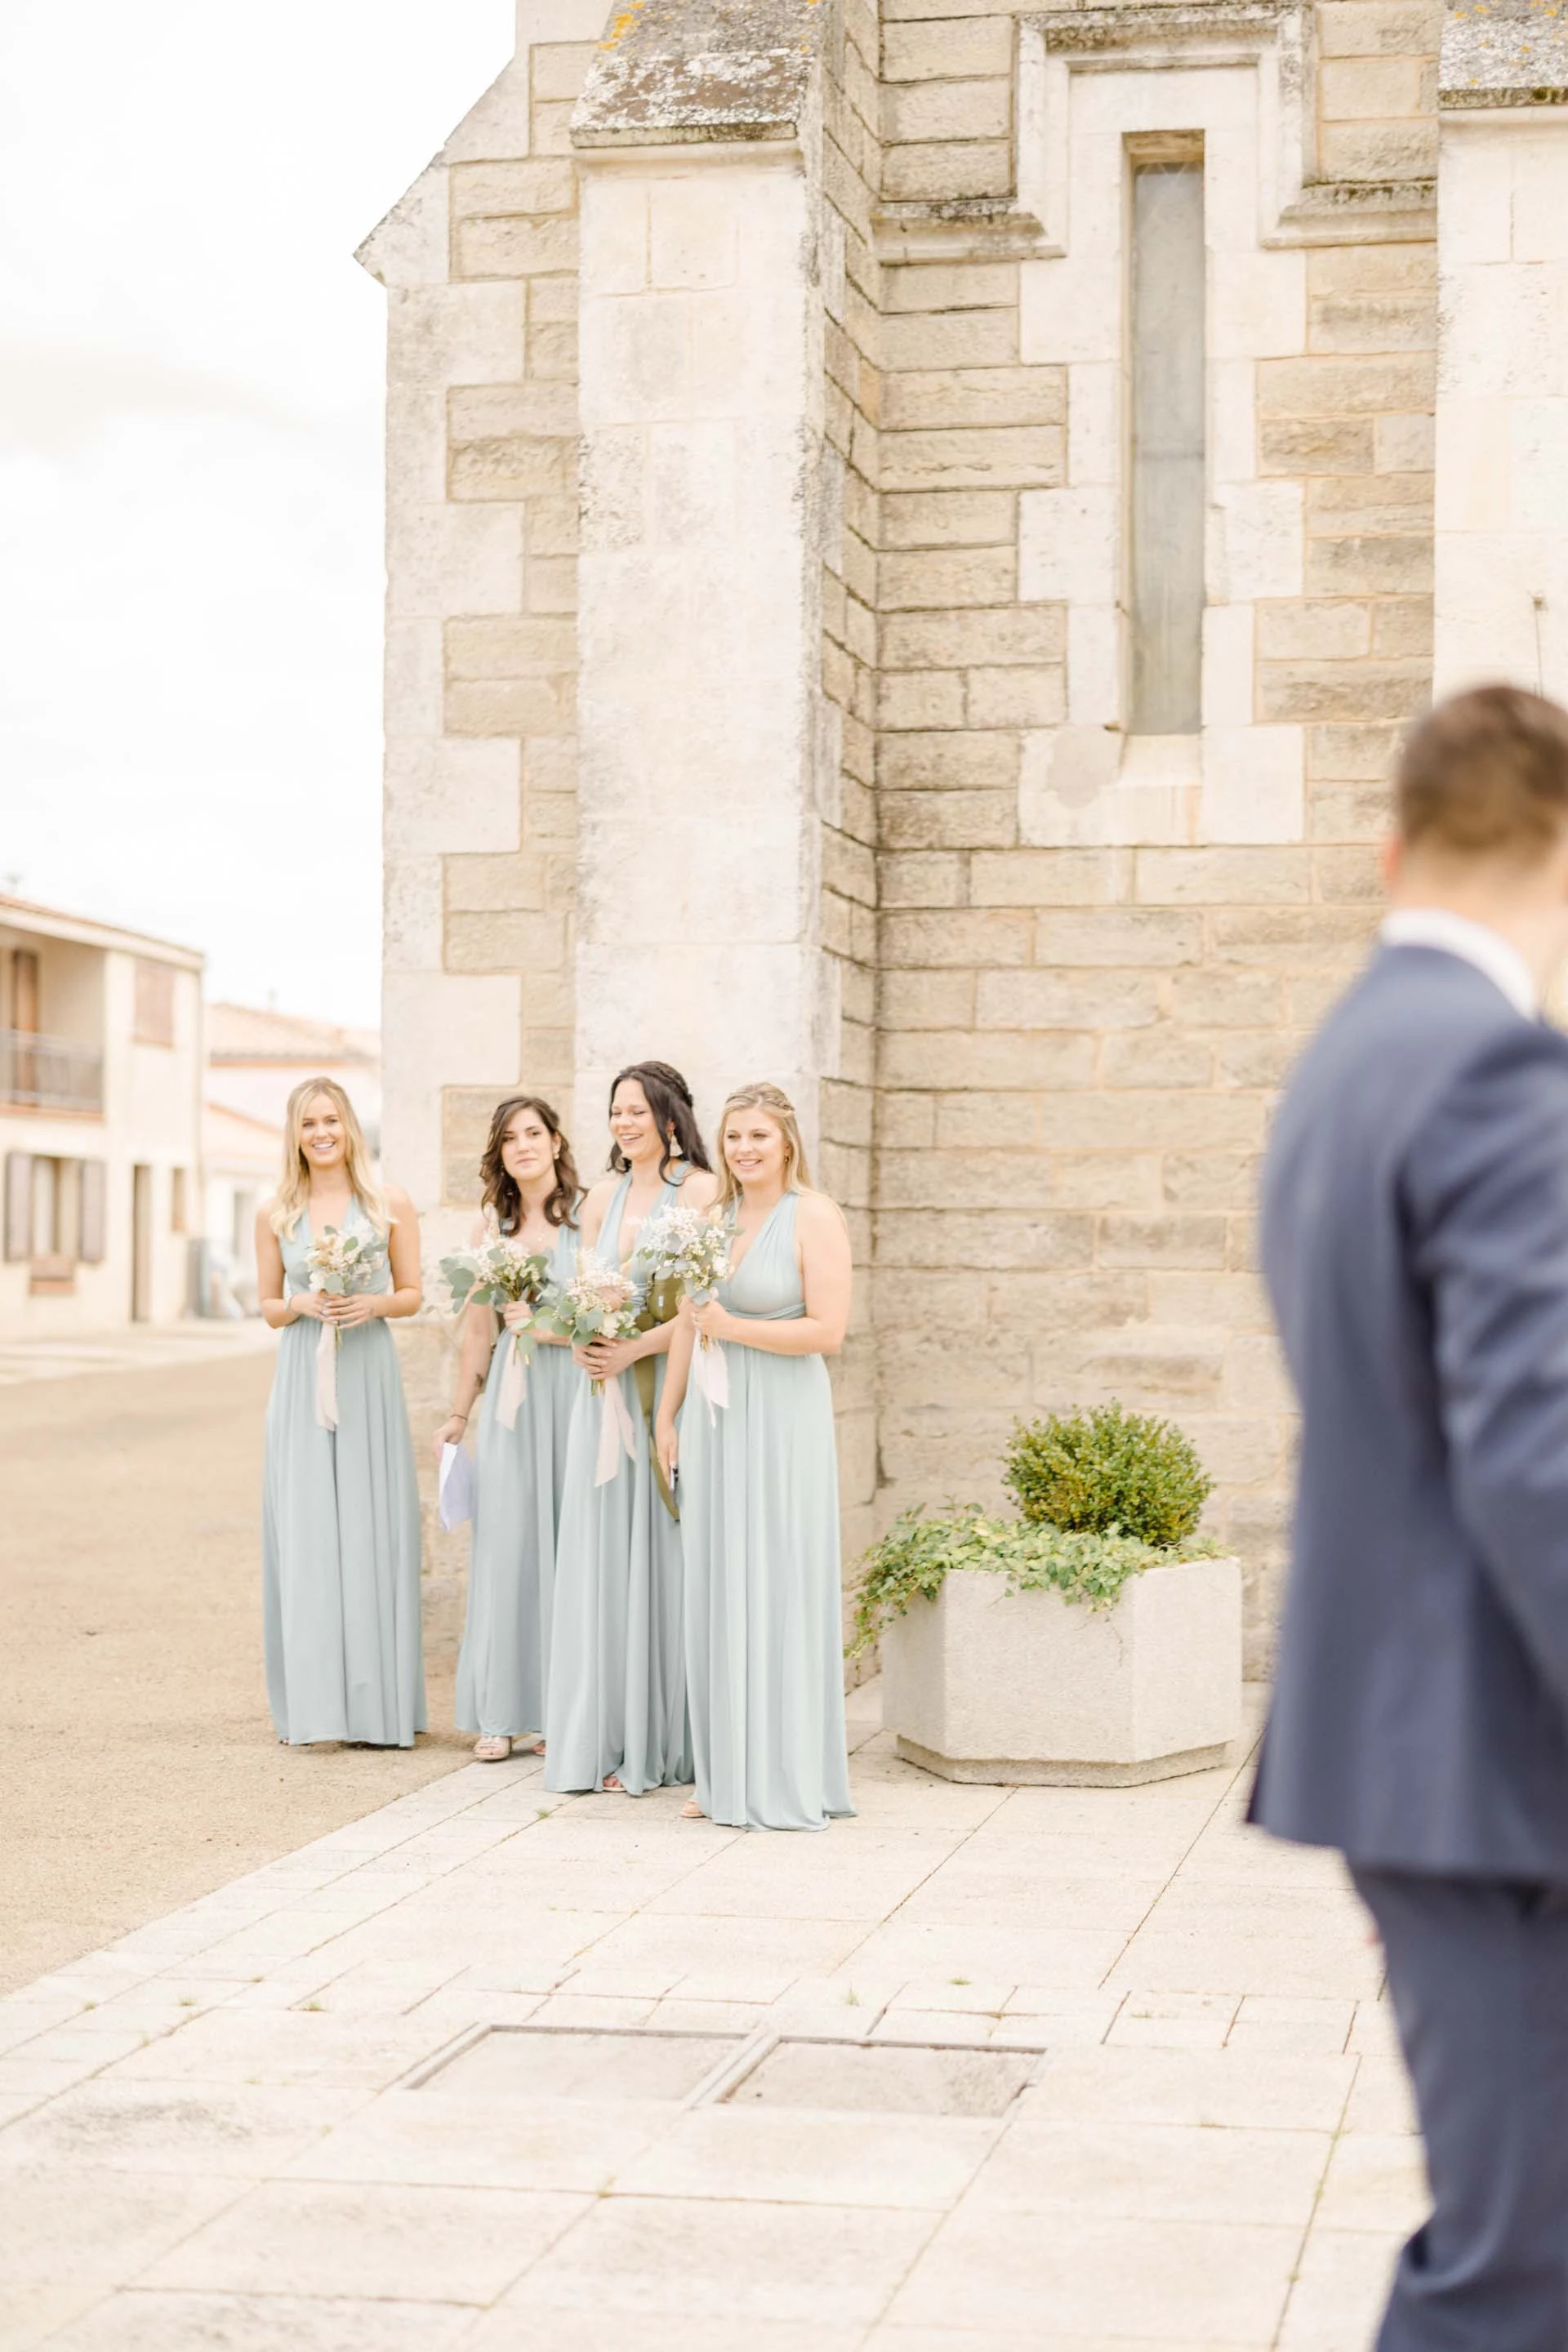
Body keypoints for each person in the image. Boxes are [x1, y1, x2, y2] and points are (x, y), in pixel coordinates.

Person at [1254, 684, 1568, 2349]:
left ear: (1392, 852)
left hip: (1415, 1754)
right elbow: (1539, 1462)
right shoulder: (1501, 1074)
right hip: (1504, 1771)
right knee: (1525, 2273)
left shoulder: (1341, 1064)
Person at [657, 1081, 854, 1832]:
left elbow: (827, 1332)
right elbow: (689, 1321)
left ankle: (785, 1769)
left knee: (779, 1578)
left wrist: (733, 1328)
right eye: (734, 1137)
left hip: (784, 1418)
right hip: (714, 1419)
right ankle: (726, 1772)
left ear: (787, 1143)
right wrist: (666, 1413)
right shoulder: (712, 1219)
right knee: (719, 1583)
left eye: (758, 1136)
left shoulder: (816, 1216)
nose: (744, 1149)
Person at [544, 1061, 719, 1796]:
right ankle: (605, 1733)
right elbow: (583, 1288)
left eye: (637, 1111)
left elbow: (701, 1304)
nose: (623, 1122)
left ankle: (662, 1739)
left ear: (669, 1119)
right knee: (602, 1556)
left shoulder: (702, 1192)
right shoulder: (600, 1198)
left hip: (663, 1385)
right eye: (616, 1111)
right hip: (602, 1393)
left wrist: (636, 1349)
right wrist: (583, 1336)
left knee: (662, 1551)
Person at [256, 1077, 425, 1748]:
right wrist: (299, 1304)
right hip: (304, 1369)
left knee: (367, 1524)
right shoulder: (276, 1212)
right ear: (295, 1135)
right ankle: (315, 1706)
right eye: (308, 1123)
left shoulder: (389, 1203)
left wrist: (371, 1304)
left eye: (330, 1120)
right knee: (308, 1533)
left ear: (349, 1127)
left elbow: (412, 1293)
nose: (321, 1133)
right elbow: (269, 1306)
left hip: (366, 1369)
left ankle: (376, 1708)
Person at [435, 1095, 582, 1762]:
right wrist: (459, 1414)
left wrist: (551, 1327)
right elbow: (478, 1333)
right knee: (506, 1545)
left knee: (570, 1545)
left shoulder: (588, 1218)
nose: (523, 1145)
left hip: (575, 1393)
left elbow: (612, 1311)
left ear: (556, 1142)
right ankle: (501, 1711)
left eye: (533, 1133)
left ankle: (560, 1710)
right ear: (499, 1154)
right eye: (509, 1138)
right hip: (510, 1405)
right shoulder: (487, 1230)